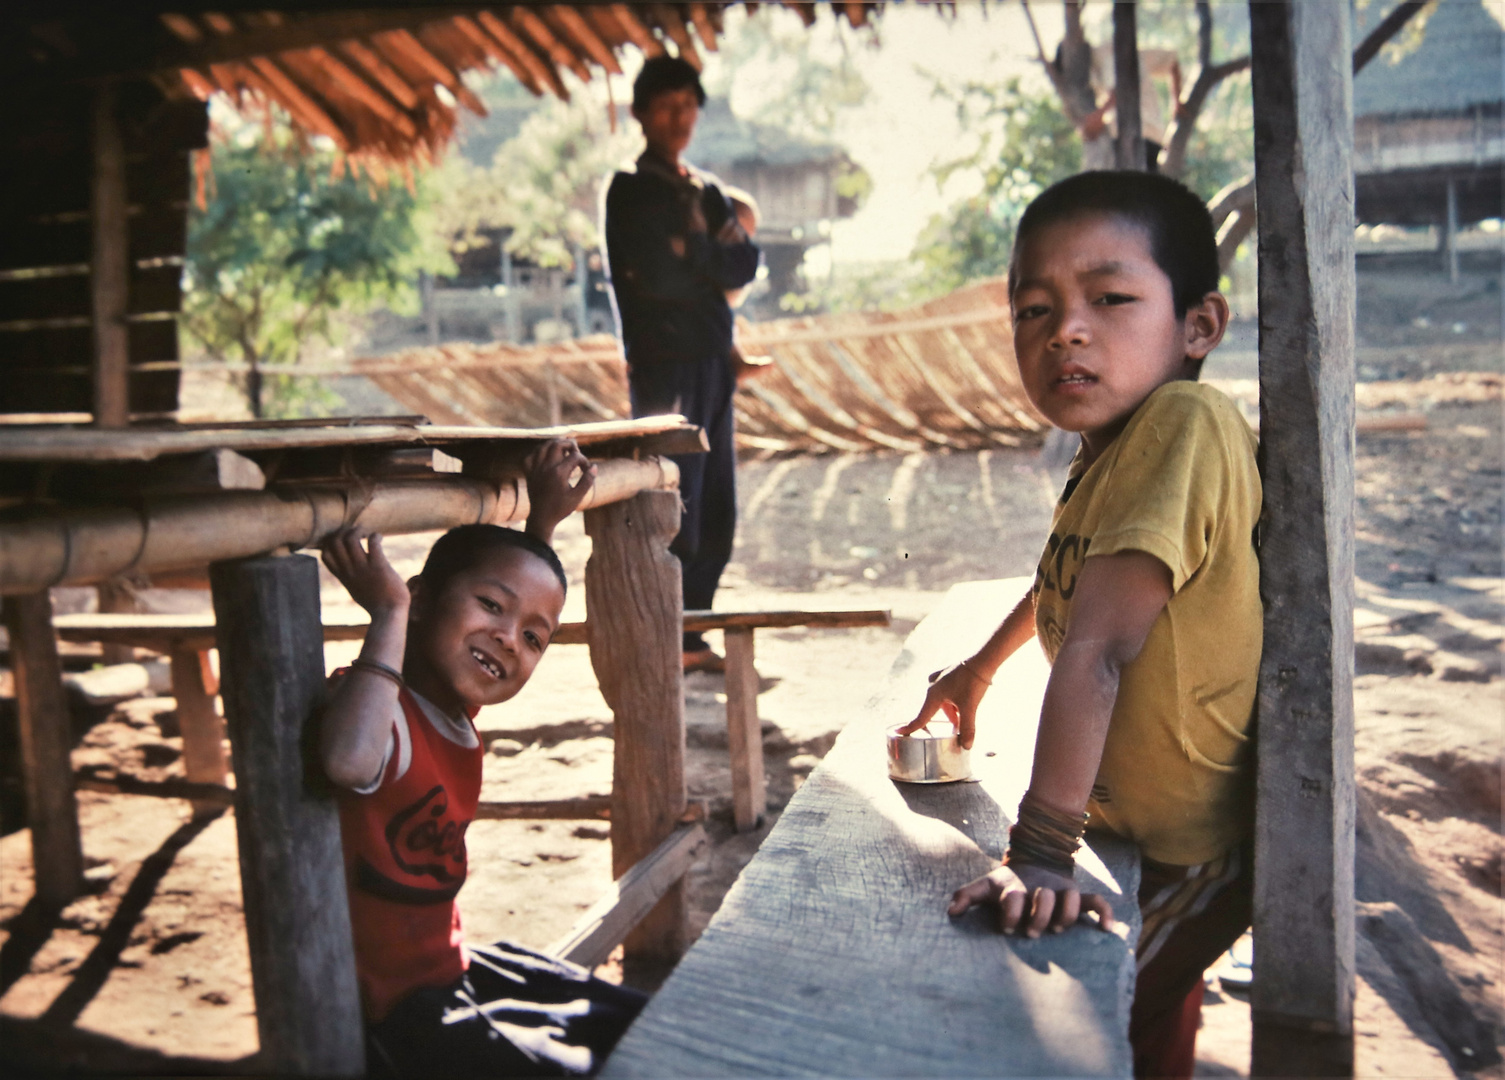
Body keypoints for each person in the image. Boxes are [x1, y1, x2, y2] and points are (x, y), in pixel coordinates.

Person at [902, 172, 1259, 1080]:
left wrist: (1037, 856)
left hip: (1189, 856)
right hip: (1126, 828)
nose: (1065, 328)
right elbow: (1062, 585)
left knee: (1077, 1022)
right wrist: (978, 670)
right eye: (1033, 309)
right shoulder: (1109, 451)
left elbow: (1098, 648)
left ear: (1198, 326)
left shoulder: (1182, 422)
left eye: (1109, 298)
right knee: (1132, 1028)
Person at [318, 439, 645, 1078]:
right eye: (491, 608)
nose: (507, 638)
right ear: (421, 599)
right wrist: (388, 611)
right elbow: (348, 763)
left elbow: (498, 593)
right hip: (398, 1013)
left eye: (533, 638)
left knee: (638, 1021)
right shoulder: (377, 710)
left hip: (455, 966)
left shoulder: (451, 716)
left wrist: (542, 523)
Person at [603, 56, 760, 674]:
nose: (679, 119)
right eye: (666, 106)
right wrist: (705, 253)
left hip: (713, 363)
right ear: (641, 113)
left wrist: (689, 250)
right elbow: (658, 280)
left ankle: (692, 631)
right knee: (675, 493)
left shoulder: (707, 190)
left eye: (688, 107)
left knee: (716, 498)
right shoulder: (629, 191)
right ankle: (663, 627)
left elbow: (744, 266)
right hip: (663, 364)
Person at [1080, 43, 1184, 172]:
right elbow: (1171, 60)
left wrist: (1096, 118)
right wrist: (1177, 103)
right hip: (1151, 136)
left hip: (1133, 137)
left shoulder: (1109, 56)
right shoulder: (1127, 49)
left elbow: (1120, 90)